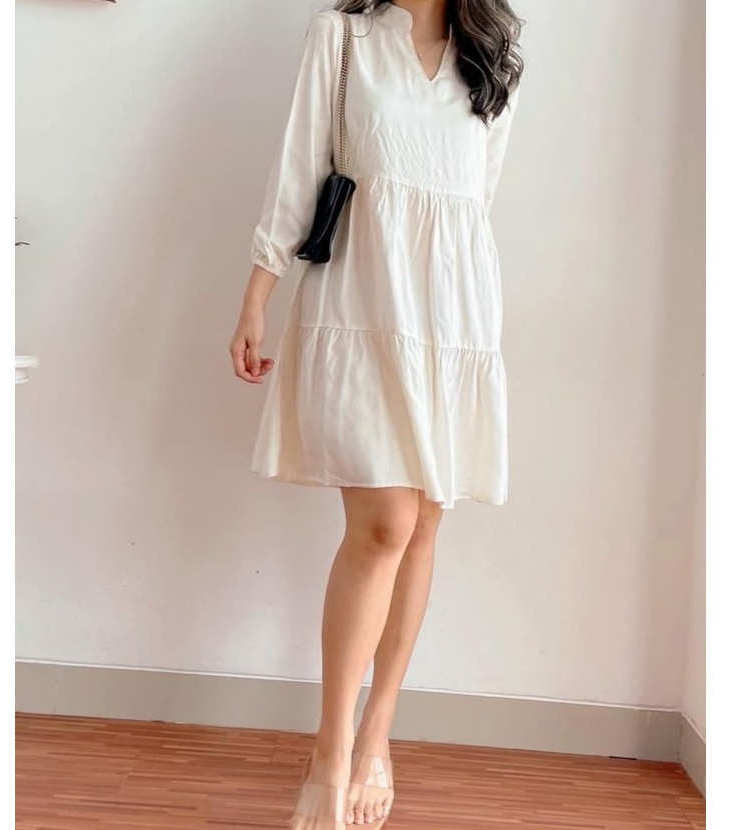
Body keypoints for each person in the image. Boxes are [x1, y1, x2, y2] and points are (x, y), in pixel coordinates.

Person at [229, 0, 523, 826]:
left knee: (424, 524)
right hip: (362, 299)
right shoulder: (344, 36)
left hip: (452, 317)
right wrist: (257, 297)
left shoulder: (494, 56)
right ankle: (329, 749)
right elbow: (299, 167)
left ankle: (376, 738)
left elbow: (476, 200)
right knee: (386, 523)